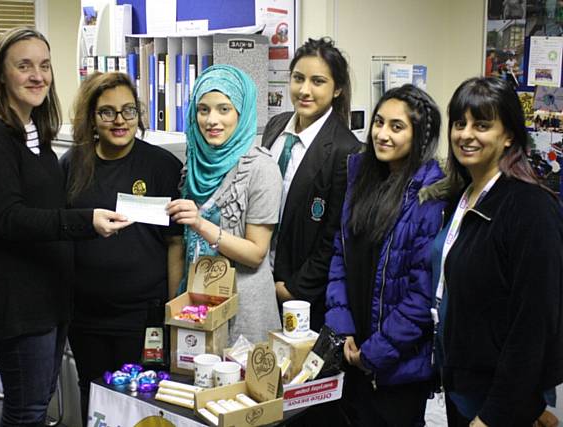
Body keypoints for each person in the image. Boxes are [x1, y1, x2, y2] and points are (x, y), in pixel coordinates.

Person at [0, 28, 130, 426]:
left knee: (38, 404)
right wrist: (85, 222)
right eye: (24, 66)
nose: (38, 76)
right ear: (1, 75)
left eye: (44, 65)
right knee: (27, 411)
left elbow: (45, 207)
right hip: (18, 304)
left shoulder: (35, 131)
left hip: (49, 296)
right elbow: (10, 218)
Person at [433, 77, 563, 426]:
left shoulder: (530, 207)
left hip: (497, 401)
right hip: (462, 385)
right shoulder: (464, 196)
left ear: (508, 136)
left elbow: (533, 325)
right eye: (460, 124)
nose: (466, 134)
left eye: (482, 125)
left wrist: (494, 414)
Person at [60, 72, 184, 425]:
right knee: (95, 397)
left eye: (128, 111)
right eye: (107, 112)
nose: (119, 121)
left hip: (143, 316)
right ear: (92, 118)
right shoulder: (72, 165)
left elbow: (175, 244)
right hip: (86, 316)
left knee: (141, 402)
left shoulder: (161, 166)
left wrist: (171, 311)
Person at [325, 84, 446, 426]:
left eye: (397, 127)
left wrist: (374, 353)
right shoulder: (360, 178)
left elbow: (423, 297)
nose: (382, 134)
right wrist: (342, 328)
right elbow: (340, 259)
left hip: (397, 367)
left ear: (420, 135)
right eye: (379, 122)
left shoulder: (429, 197)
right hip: (353, 351)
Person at [167, 65, 282, 344]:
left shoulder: (261, 168)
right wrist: (174, 308)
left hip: (245, 314)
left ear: (241, 114)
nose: (211, 120)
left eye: (224, 109)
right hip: (196, 305)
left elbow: (256, 253)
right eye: (203, 109)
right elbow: (180, 247)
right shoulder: (192, 166)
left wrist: (201, 224)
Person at [261, 37, 362, 332]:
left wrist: (293, 289)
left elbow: (335, 236)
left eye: (318, 81)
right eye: (298, 79)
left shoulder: (346, 150)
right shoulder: (276, 126)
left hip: (299, 294)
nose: (305, 90)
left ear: (337, 89)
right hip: (260, 277)